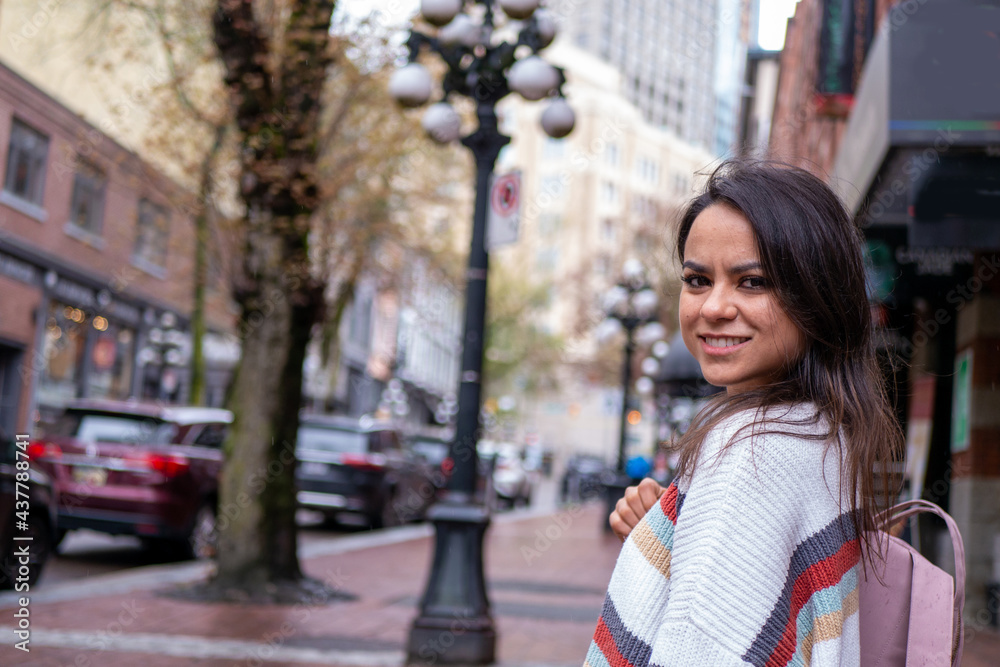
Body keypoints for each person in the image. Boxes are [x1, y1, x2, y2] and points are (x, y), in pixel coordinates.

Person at [584, 160, 902, 667]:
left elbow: (704, 646)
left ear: (818, 296)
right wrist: (666, 538)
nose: (713, 307)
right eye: (697, 279)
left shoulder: (751, 452)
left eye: (751, 282)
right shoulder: (822, 429)